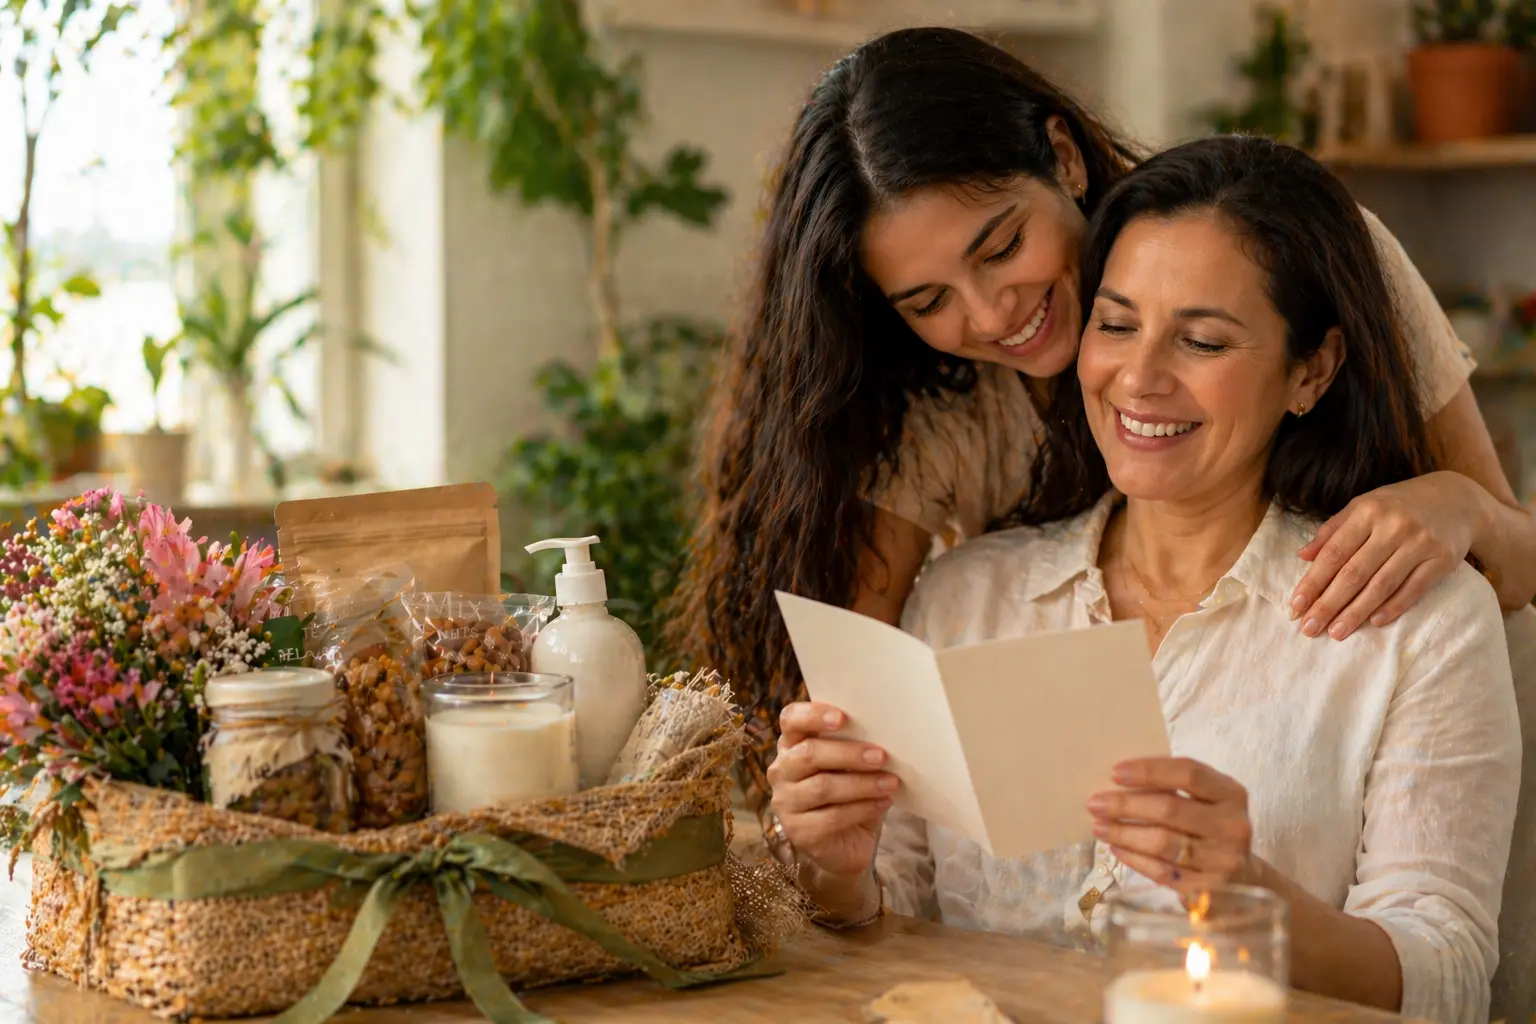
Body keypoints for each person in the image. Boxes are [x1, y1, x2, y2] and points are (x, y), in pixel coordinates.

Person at [667, 28, 1536, 851]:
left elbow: (1517, 570)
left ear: (1065, 156)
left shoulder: (1302, 250)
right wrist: (824, 828)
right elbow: (864, 710)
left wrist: (1458, 505)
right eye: (928, 302)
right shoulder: (932, 414)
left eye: (1002, 246)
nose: (989, 313)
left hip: (1373, 769)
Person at [768, 135, 1520, 1024]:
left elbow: (1450, 978)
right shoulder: (965, 598)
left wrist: (1246, 895)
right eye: (1116, 324)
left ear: (1310, 371)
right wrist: (835, 865)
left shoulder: (1419, 624)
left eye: (1201, 340)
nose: (1140, 378)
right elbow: (881, 920)